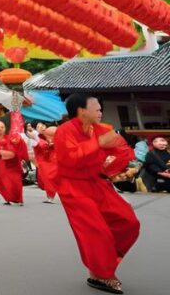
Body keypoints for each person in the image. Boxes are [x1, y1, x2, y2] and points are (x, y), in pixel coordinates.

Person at [54, 94, 139, 294]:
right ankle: (101, 274)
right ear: (82, 111)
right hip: (73, 186)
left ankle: (106, 260)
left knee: (128, 221)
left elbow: (124, 151)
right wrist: (99, 144)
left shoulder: (101, 130)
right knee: (95, 231)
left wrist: (109, 165)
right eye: (97, 109)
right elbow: (70, 158)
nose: (101, 112)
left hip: (97, 183)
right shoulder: (64, 131)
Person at [0, 120, 28, 206]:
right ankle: (10, 198)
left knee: (16, 180)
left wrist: (18, 142)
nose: (0, 129)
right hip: (2, 163)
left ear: (5, 129)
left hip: (13, 163)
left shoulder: (10, 137)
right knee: (5, 181)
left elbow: (19, 147)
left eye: (2, 127)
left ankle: (18, 199)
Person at [34, 124, 59, 203]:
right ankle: (50, 196)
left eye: (42, 127)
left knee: (50, 178)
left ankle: (51, 196)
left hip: (54, 161)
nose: (42, 128)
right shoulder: (40, 138)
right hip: (47, 161)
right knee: (46, 178)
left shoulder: (57, 139)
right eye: (39, 127)